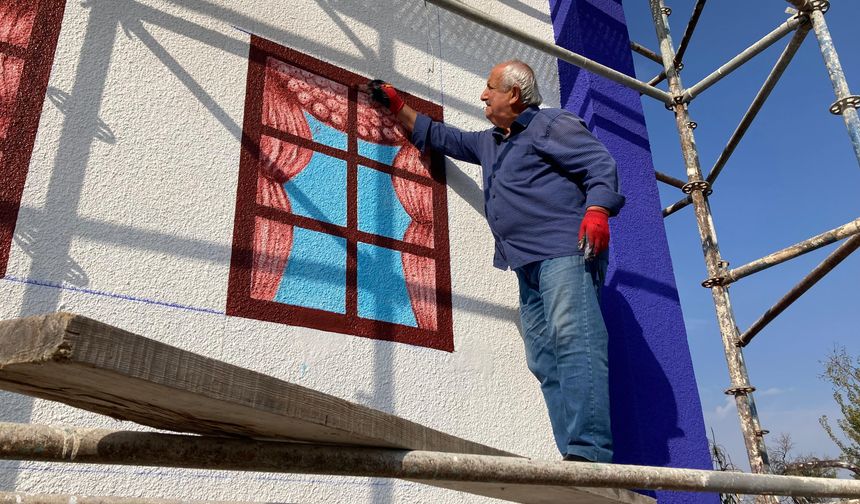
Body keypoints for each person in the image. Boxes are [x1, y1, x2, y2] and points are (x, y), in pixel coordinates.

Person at [368, 60, 624, 463]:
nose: (483, 95)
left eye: (490, 88)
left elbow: (599, 164)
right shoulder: (491, 142)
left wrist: (597, 210)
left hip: (565, 253)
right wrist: (398, 106)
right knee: (543, 358)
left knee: (576, 342)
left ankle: (590, 456)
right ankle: (575, 457)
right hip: (526, 264)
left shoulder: (551, 125)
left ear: (514, 95)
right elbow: (443, 137)